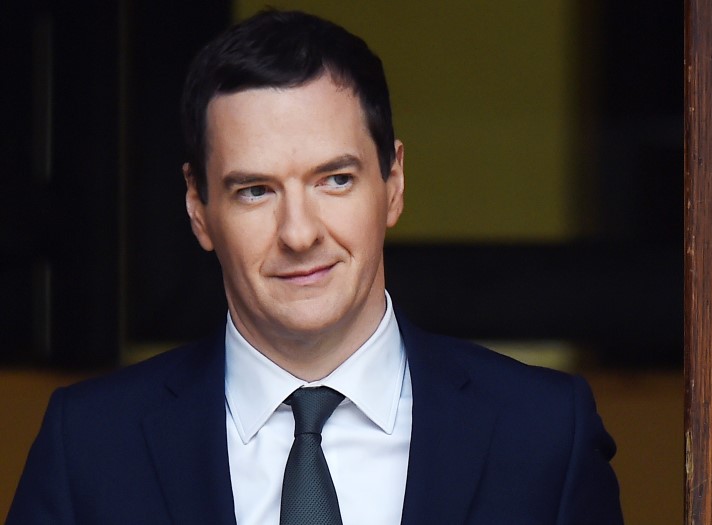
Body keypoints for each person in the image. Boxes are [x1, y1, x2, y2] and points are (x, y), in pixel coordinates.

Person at [7, 9, 623, 525]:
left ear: (394, 181)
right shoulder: (89, 445)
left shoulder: (543, 434)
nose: (299, 233)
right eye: (255, 190)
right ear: (199, 208)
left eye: (335, 179)